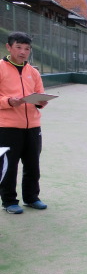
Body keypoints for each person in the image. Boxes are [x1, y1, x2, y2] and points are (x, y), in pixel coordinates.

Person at [0, 32, 49, 214]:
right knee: (9, 166)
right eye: (19, 47)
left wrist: (41, 101)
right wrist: (8, 101)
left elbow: (40, 94)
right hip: (7, 127)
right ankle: (9, 201)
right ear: (9, 47)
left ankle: (31, 197)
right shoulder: (0, 68)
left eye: (27, 49)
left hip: (33, 127)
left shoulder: (33, 72)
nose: (23, 52)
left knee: (32, 165)